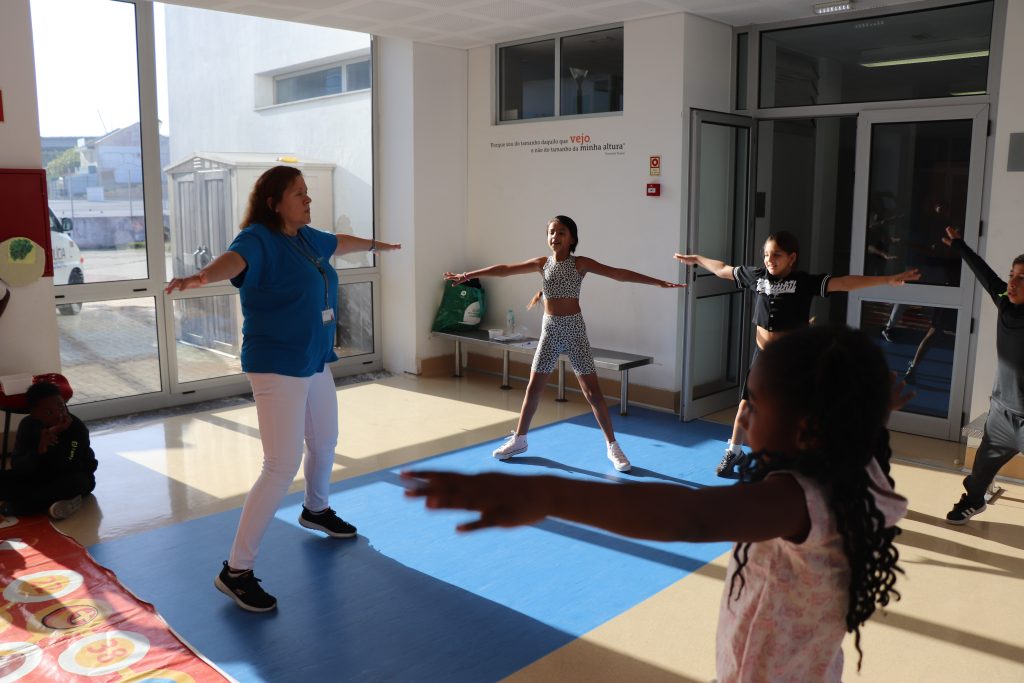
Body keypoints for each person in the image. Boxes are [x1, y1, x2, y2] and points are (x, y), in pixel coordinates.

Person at [404, 325, 907, 681]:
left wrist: (548, 493)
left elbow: (692, 516)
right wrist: (874, 407)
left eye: (753, 404)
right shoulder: (856, 471)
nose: (743, 416)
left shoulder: (797, 501)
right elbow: (857, 423)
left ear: (809, 429)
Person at [165, 165, 400, 612]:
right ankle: (236, 571)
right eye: (299, 194)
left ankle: (316, 509)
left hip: (314, 359)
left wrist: (376, 245)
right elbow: (234, 261)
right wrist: (202, 277)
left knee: (325, 440)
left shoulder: (307, 237)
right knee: (280, 465)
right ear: (274, 203)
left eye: (307, 192)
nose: (308, 200)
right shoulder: (259, 238)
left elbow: (338, 243)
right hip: (276, 364)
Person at [443, 215, 684, 473]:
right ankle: (520, 440)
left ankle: (612, 445)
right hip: (550, 331)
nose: (555, 237)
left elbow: (618, 274)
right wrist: (467, 275)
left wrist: (657, 282)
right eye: (551, 232)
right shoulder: (542, 264)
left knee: (592, 392)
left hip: (574, 330)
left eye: (561, 232)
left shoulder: (580, 264)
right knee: (534, 388)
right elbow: (504, 270)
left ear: (572, 239)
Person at [674, 230, 920, 477]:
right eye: (766, 255)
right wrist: (698, 259)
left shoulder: (804, 282)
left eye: (777, 255)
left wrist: (887, 279)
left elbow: (845, 283)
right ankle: (734, 451)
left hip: (793, 360)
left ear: (792, 258)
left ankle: (813, 457)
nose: (770, 260)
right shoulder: (756, 276)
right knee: (746, 406)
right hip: (764, 357)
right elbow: (723, 269)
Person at [941, 226, 1024, 524]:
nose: (1012, 282)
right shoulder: (1004, 300)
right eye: (1012, 274)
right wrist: (960, 246)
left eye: (1022, 278)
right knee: (979, 474)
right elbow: (986, 275)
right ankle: (974, 500)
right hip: (1001, 414)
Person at [0, 381, 97, 520]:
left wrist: (57, 435)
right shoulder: (28, 425)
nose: (59, 414)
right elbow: (17, 465)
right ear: (34, 413)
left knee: (75, 483)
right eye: (49, 412)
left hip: (70, 475)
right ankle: (53, 502)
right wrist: (40, 451)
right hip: (36, 475)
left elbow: (69, 466)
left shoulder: (77, 429)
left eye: (61, 407)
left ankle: (18, 506)